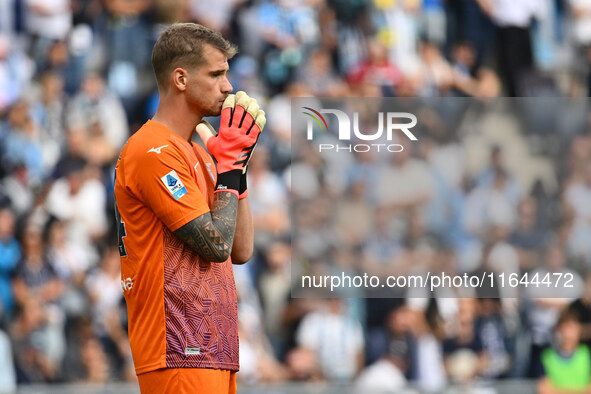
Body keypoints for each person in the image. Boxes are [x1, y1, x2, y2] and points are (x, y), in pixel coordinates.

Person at [114, 22, 265, 394]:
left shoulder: (199, 151)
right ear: (180, 78)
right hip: (178, 347)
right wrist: (228, 168)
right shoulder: (152, 150)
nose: (228, 87)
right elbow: (214, 245)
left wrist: (237, 167)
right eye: (216, 74)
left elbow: (240, 249)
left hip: (213, 348)